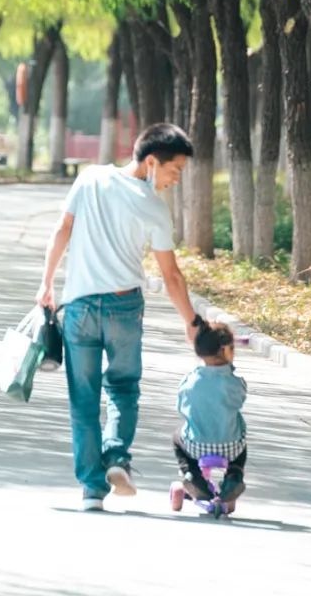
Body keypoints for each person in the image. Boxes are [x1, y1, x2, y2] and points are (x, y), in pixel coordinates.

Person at [35, 121, 205, 512]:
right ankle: (116, 457)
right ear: (151, 161)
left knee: (83, 399)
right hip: (124, 309)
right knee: (123, 389)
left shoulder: (90, 178)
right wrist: (191, 322)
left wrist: (46, 283)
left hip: (79, 307)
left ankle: (92, 490)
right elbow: (171, 276)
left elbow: (62, 229)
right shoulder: (154, 208)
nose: (176, 179)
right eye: (175, 169)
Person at [173, 318, 248, 511]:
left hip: (196, 447)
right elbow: (240, 401)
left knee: (177, 437)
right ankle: (234, 475)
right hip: (231, 447)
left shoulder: (189, 381)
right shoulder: (235, 383)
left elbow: (181, 407)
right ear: (226, 350)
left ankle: (192, 475)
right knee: (242, 444)